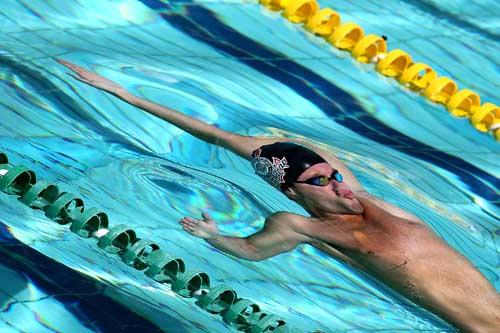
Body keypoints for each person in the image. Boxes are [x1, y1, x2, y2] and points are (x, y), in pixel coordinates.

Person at [58, 59, 500, 332]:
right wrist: (214, 237)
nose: (339, 183)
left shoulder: (363, 197)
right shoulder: (303, 226)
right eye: (323, 182)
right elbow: (250, 251)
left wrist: (125, 94)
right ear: (293, 192)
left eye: (333, 174)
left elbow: (223, 136)